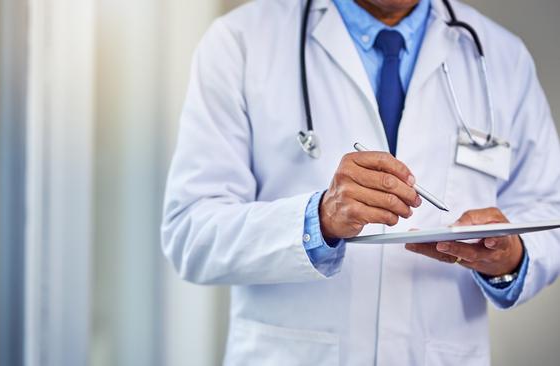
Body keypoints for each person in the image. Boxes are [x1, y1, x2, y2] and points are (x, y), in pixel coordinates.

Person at [161, 0, 560, 364]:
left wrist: (511, 256)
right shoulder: (240, 42)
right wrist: (317, 220)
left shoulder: (502, 55)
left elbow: (550, 213)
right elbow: (190, 233)